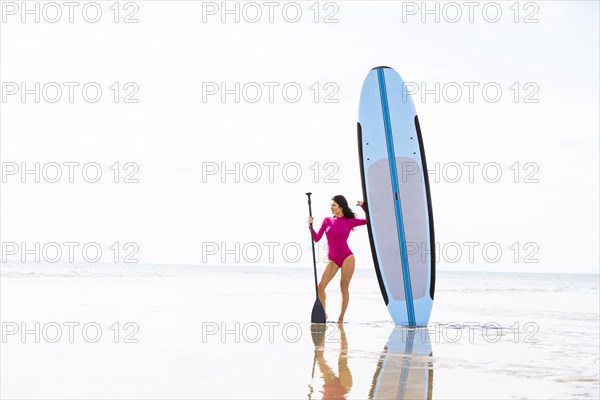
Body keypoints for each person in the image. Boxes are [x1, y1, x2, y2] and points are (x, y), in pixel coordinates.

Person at [307, 195, 367, 323]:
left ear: (340, 206)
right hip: (332, 259)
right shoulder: (327, 220)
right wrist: (310, 226)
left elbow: (370, 220)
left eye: (333, 205)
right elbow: (317, 238)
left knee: (343, 288)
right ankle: (323, 313)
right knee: (320, 286)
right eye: (331, 205)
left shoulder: (350, 221)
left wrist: (363, 206)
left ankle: (341, 319)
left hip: (347, 257)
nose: (331, 207)